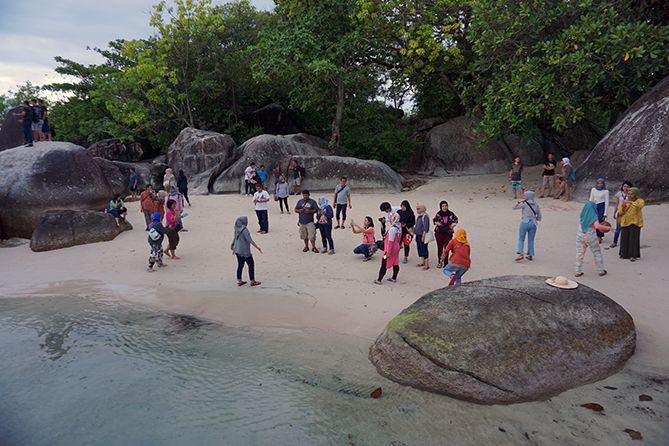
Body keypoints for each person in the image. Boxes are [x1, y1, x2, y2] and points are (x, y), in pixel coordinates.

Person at [575, 201, 609, 277]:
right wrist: (609, 228)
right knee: (597, 253)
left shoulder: (583, 215)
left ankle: (578, 271)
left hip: (580, 236)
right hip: (591, 238)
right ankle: (601, 270)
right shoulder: (594, 217)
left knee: (579, 253)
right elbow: (597, 226)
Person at [230, 216, 263, 286]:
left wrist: (232, 244)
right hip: (245, 251)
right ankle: (252, 281)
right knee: (251, 265)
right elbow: (249, 240)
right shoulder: (245, 230)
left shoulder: (236, 228)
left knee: (240, 265)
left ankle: (239, 280)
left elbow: (235, 237)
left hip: (237, 250)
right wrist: (257, 247)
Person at [374, 202, 401, 284]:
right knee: (395, 262)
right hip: (397, 247)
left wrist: (387, 253)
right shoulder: (398, 229)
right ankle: (394, 278)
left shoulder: (392, 229)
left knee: (384, 263)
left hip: (391, 249)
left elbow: (390, 242)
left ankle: (379, 279)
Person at [513, 190, 542, 261]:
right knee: (531, 240)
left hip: (525, 222)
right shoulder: (536, 204)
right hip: (533, 223)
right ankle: (530, 255)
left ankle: (520, 253)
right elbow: (539, 215)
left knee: (521, 238)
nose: (523, 196)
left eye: (525, 195)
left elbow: (514, 208)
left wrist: (518, 202)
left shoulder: (524, 203)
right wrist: (536, 219)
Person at [618, 187, 644, 262]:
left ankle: (633, 255)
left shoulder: (640, 201)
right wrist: (623, 207)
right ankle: (624, 254)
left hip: (635, 222)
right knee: (624, 238)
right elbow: (620, 212)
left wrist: (631, 203)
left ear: (635, 194)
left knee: (633, 239)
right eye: (628, 194)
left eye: (631, 194)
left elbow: (640, 206)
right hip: (625, 221)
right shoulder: (625, 201)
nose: (629, 195)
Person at [433, 201, 458, 268]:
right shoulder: (438, 214)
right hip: (439, 232)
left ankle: (446, 262)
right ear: (441, 207)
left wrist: (453, 224)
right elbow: (434, 220)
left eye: (446, 206)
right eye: (443, 206)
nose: (444, 207)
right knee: (440, 247)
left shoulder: (451, 214)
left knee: (447, 248)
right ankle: (440, 262)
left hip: (448, 232)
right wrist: (437, 223)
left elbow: (456, 219)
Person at [608, 181, 632, 249]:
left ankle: (626, 242)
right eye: (624, 186)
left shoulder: (631, 194)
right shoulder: (619, 193)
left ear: (630, 187)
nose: (626, 188)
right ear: (622, 186)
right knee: (618, 228)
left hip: (628, 213)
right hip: (620, 213)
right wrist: (614, 212)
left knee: (627, 228)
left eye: (627, 186)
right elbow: (617, 204)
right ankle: (614, 242)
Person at [589, 178, 610, 242]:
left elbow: (607, 202)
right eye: (598, 183)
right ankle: (594, 236)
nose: (599, 184)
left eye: (601, 183)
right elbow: (591, 199)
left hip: (601, 206)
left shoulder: (606, 191)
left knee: (600, 221)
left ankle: (599, 236)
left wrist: (605, 213)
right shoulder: (593, 189)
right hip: (594, 206)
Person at [398, 200, 415, 264]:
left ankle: (405, 256)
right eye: (402, 206)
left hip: (407, 231)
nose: (402, 208)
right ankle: (395, 256)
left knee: (406, 244)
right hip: (399, 230)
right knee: (397, 244)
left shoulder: (410, 213)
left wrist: (406, 224)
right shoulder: (399, 212)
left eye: (404, 206)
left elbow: (413, 222)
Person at [414, 204, 430, 270]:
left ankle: (426, 264)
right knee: (420, 248)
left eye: (418, 209)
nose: (417, 210)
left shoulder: (425, 216)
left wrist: (423, 236)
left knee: (424, 249)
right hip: (418, 235)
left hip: (422, 235)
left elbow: (425, 227)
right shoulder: (419, 216)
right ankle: (422, 261)